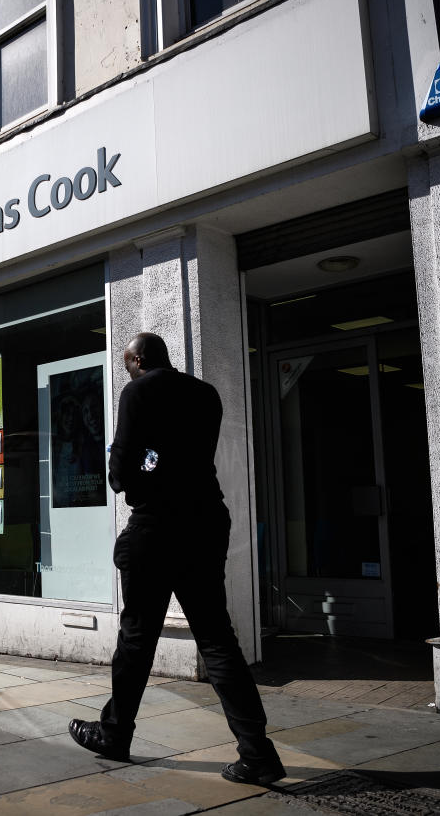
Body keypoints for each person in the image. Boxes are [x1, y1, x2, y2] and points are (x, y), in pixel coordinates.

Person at [67, 332, 286, 786]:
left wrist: (128, 465)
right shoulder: (206, 394)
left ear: (140, 359)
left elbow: (122, 474)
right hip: (206, 520)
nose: (126, 369)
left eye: (127, 362)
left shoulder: (139, 391)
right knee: (217, 638)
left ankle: (114, 734)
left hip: (157, 527)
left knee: (137, 637)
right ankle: (257, 752)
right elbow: (187, 457)